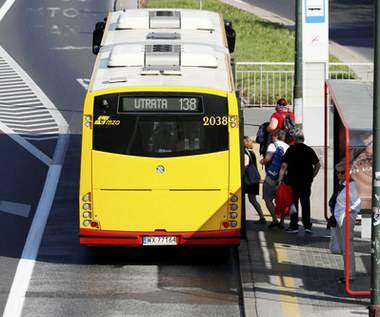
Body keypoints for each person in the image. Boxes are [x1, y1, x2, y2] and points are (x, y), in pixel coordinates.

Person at [278, 130, 320, 233]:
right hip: (306, 182)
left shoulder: (291, 150)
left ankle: (294, 226)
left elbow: (284, 166)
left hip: (292, 182)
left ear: (294, 139)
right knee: (305, 203)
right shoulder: (309, 150)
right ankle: (307, 226)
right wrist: (312, 176)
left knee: (293, 203)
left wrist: (280, 179)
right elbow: (318, 165)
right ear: (304, 139)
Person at [333, 162, 361, 283]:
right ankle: (347, 273)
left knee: (347, 247)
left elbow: (357, 203)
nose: (339, 174)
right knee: (343, 247)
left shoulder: (351, 185)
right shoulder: (340, 184)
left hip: (346, 218)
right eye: (337, 172)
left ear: (347, 172)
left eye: (342, 172)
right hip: (339, 218)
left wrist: (346, 211)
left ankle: (349, 275)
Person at [259, 129, 289, 228]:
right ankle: (282, 221)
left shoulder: (272, 145)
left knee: (268, 198)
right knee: (282, 200)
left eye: (273, 136)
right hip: (284, 177)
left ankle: (274, 219)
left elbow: (267, 159)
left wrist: (261, 161)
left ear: (276, 136)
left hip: (272, 176)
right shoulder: (288, 147)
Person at [244, 136, 266, 224]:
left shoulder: (245, 153)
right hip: (253, 179)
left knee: (252, 199)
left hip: (250, 180)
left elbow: (246, 164)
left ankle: (262, 217)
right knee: (252, 199)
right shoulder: (251, 152)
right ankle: (262, 217)